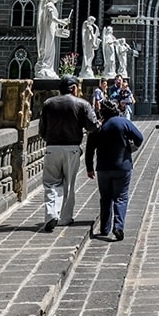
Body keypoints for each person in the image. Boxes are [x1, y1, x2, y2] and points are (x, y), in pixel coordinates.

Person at [38, 76, 99, 231]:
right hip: (72, 148)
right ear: (73, 88)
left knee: (51, 183)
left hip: (52, 148)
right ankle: (65, 218)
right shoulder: (82, 104)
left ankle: (51, 214)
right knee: (69, 184)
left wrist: (51, 139)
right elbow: (93, 126)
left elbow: (42, 130)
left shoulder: (48, 103)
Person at [85, 100, 143, 241]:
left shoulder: (98, 126)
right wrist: (130, 147)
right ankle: (118, 226)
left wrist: (89, 168)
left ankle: (105, 228)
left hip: (103, 168)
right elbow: (140, 138)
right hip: (122, 166)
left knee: (105, 198)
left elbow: (89, 149)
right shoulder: (123, 123)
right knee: (121, 197)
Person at [35, 0, 71, 79]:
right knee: (48, 49)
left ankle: (48, 67)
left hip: (51, 29)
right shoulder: (49, 5)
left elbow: (54, 22)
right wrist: (61, 22)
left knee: (51, 50)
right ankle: (44, 66)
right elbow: (51, 18)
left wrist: (61, 24)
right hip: (47, 31)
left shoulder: (50, 5)